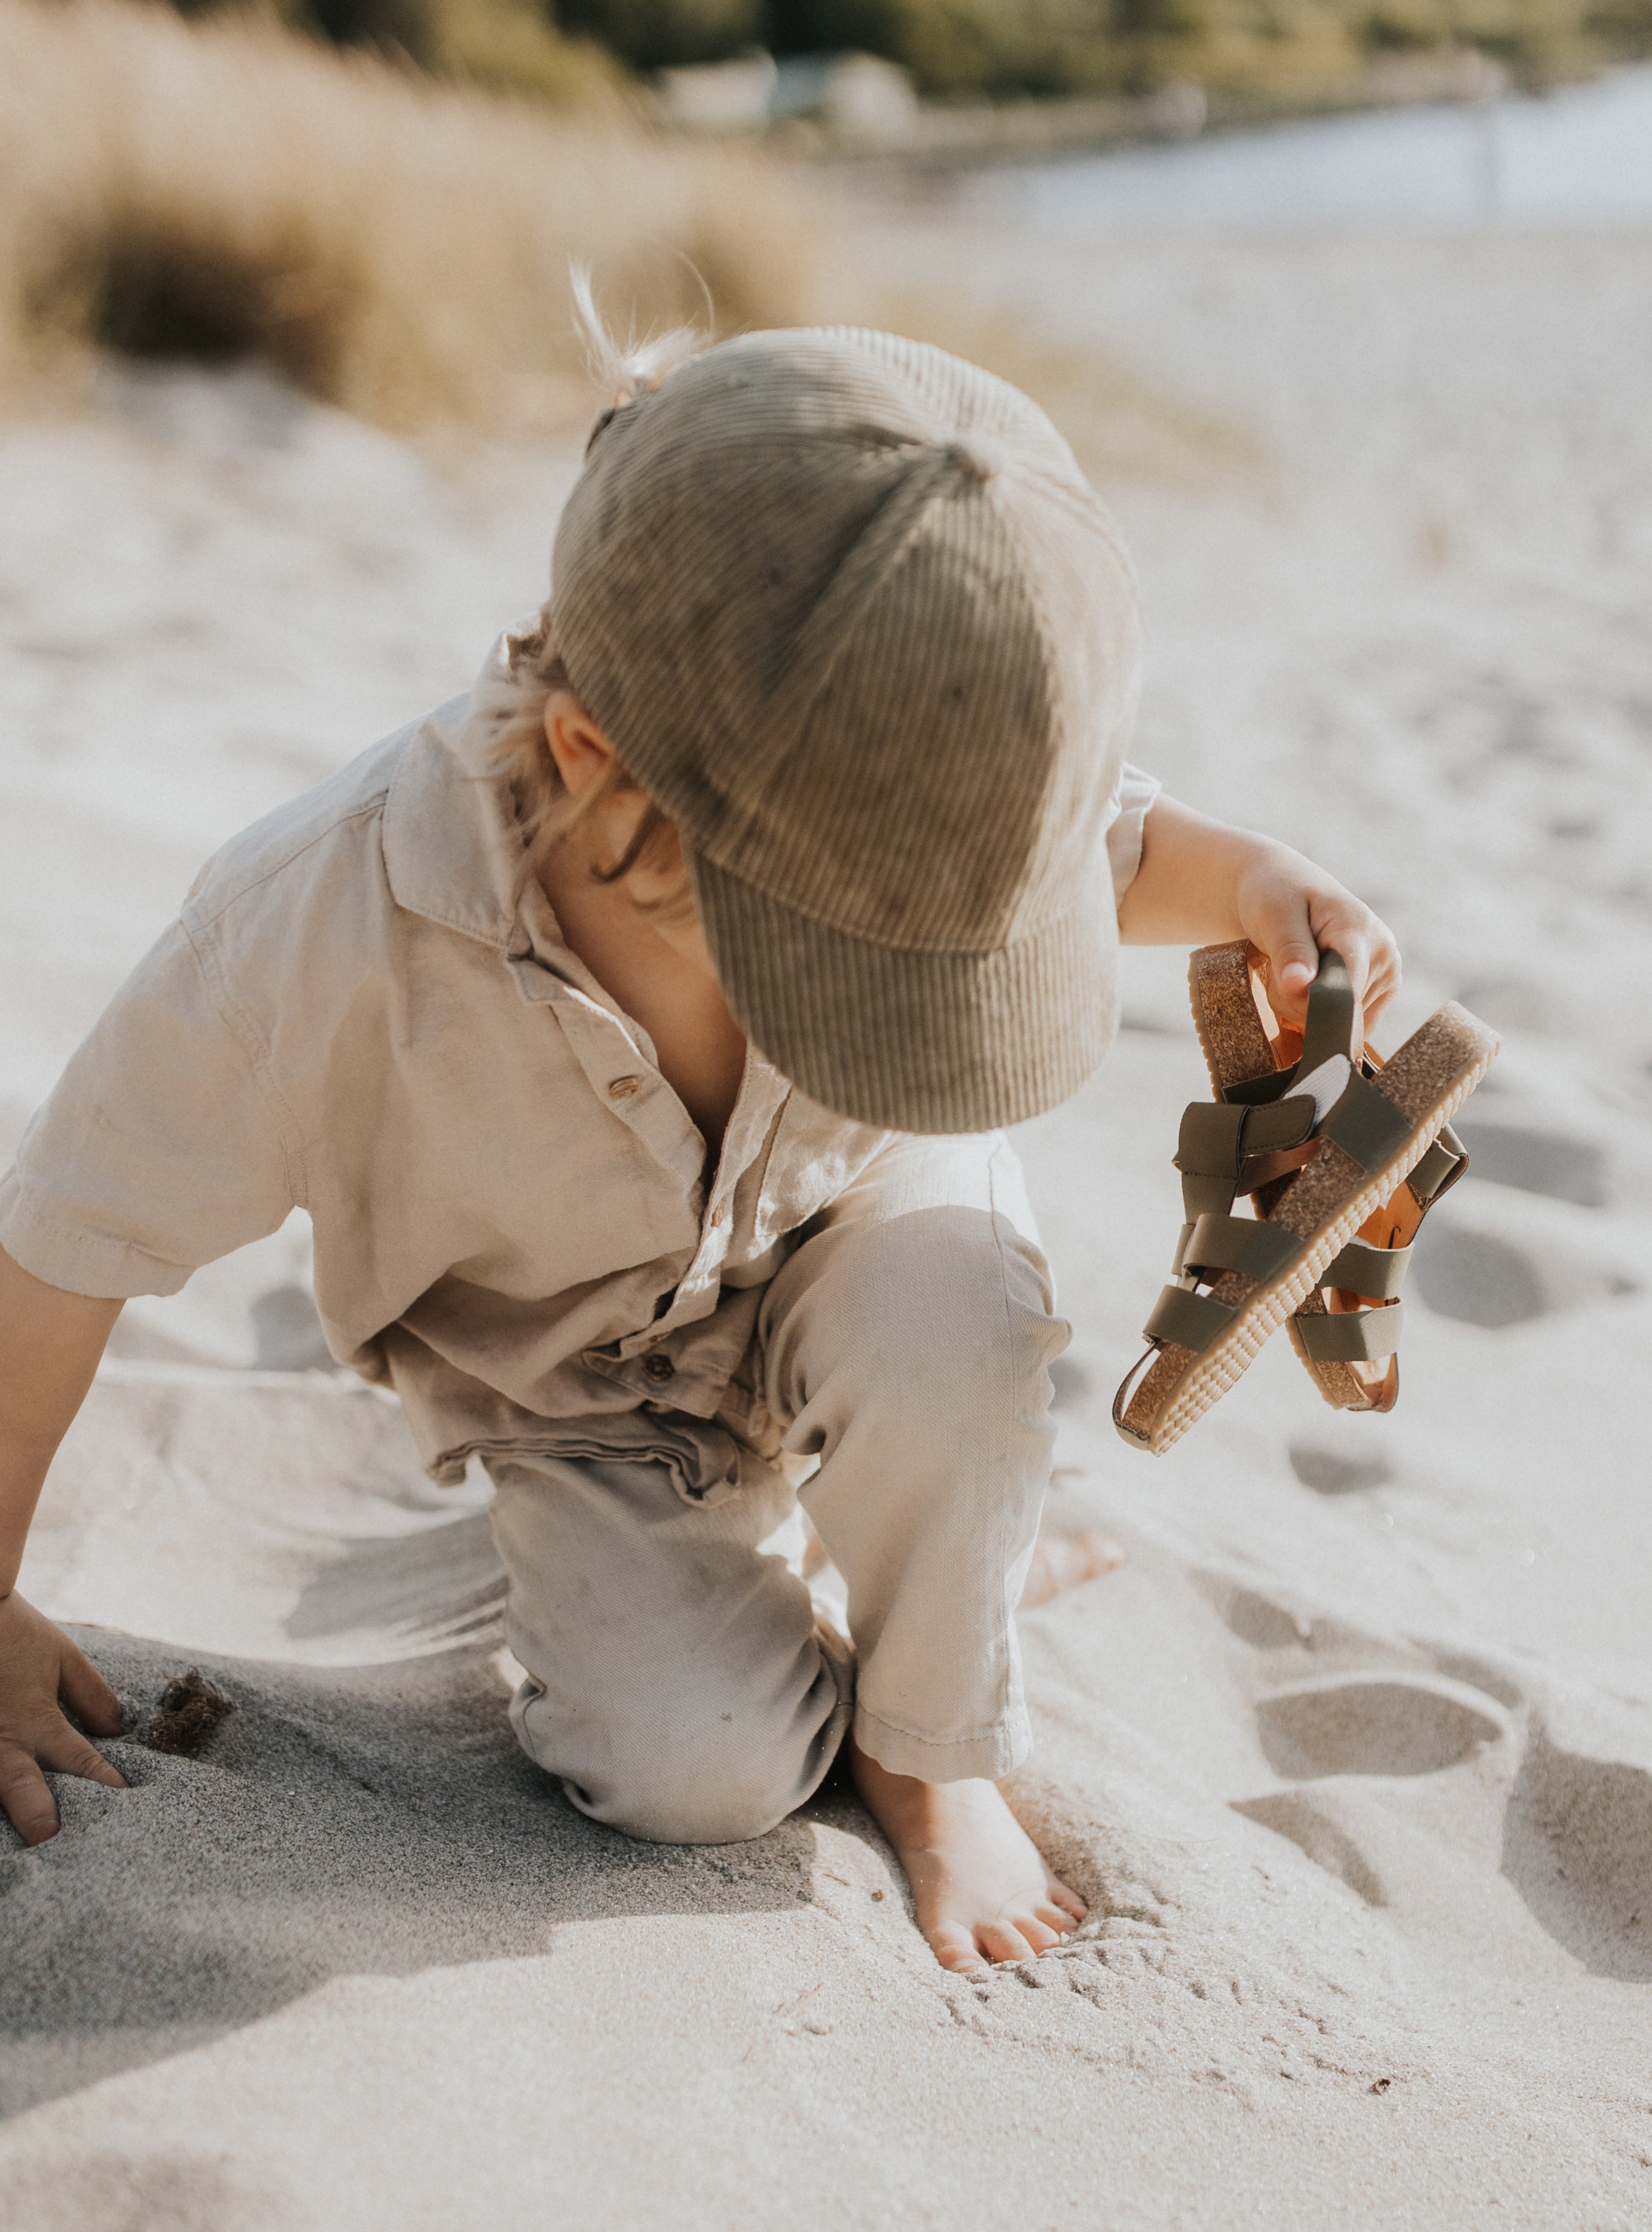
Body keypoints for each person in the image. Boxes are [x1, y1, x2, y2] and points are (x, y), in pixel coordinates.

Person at [0, 317, 1398, 1974]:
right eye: (866, 969)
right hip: (579, 1384)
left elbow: (1113, 842)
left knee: (957, 1317)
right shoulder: (314, 935)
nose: (909, 984)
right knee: (694, 1774)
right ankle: (885, 1565)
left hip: (853, 1214)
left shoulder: (919, 754)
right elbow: (63, 1241)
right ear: (594, 766)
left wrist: (1247, 878)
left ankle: (922, 1732)